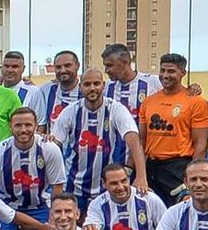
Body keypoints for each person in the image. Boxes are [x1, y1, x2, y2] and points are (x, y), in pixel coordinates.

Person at [51, 70, 146, 209]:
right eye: (87, 84)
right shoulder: (71, 111)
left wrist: (141, 176)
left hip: (108, 187)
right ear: (80, 87)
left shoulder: (116, 109)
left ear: (103, 85)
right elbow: (54, 144)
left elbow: (133, 140)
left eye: (96, 84)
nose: (92, 88)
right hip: (74, 185)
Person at [139, 54, 208, 202]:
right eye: (163, 70)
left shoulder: (196, 102)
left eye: (171, 71)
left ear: (183, 73)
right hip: (152, 166)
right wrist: (139, 173)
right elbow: (140, 141)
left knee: (181, 215)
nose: (165, 75)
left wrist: (192, 176)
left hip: (178, 167)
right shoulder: (149, 102)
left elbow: (201, 145)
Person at [25, 51, 81, 129]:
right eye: (58, 67)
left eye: (67, 65)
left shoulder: (86, 90)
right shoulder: (45, 90)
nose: (63, 70)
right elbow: (38, 123)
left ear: (77, 66)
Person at [100, 45, 156, 122]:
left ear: (125, 62)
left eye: (110, 65)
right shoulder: (108, 86)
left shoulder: (152, 83)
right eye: (105, 66)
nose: (106, 70)